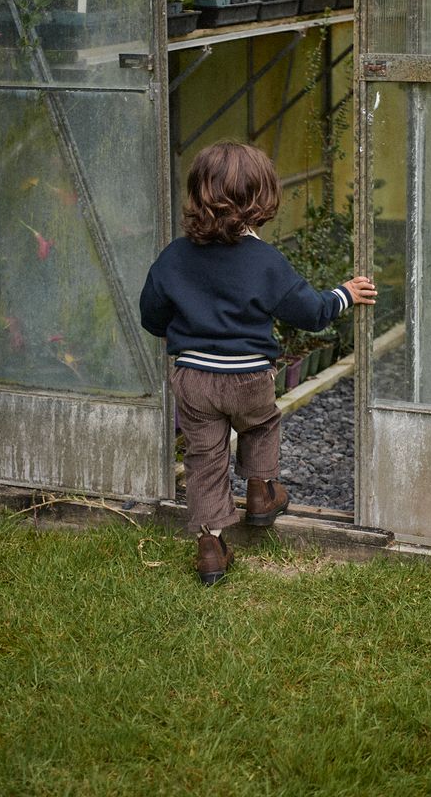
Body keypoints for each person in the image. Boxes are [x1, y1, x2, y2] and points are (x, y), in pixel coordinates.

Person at [139, 141, 377, 585]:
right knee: (261, 424)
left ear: (197, 194)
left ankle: (211, 548)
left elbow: (151, 317)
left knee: (205, 456)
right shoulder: (266, 262)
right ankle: (262, 493)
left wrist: (190, 324)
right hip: (249, 377)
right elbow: (311, 313)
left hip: (193, 379)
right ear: (261, 200)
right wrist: (344, 294)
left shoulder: (174, 257)